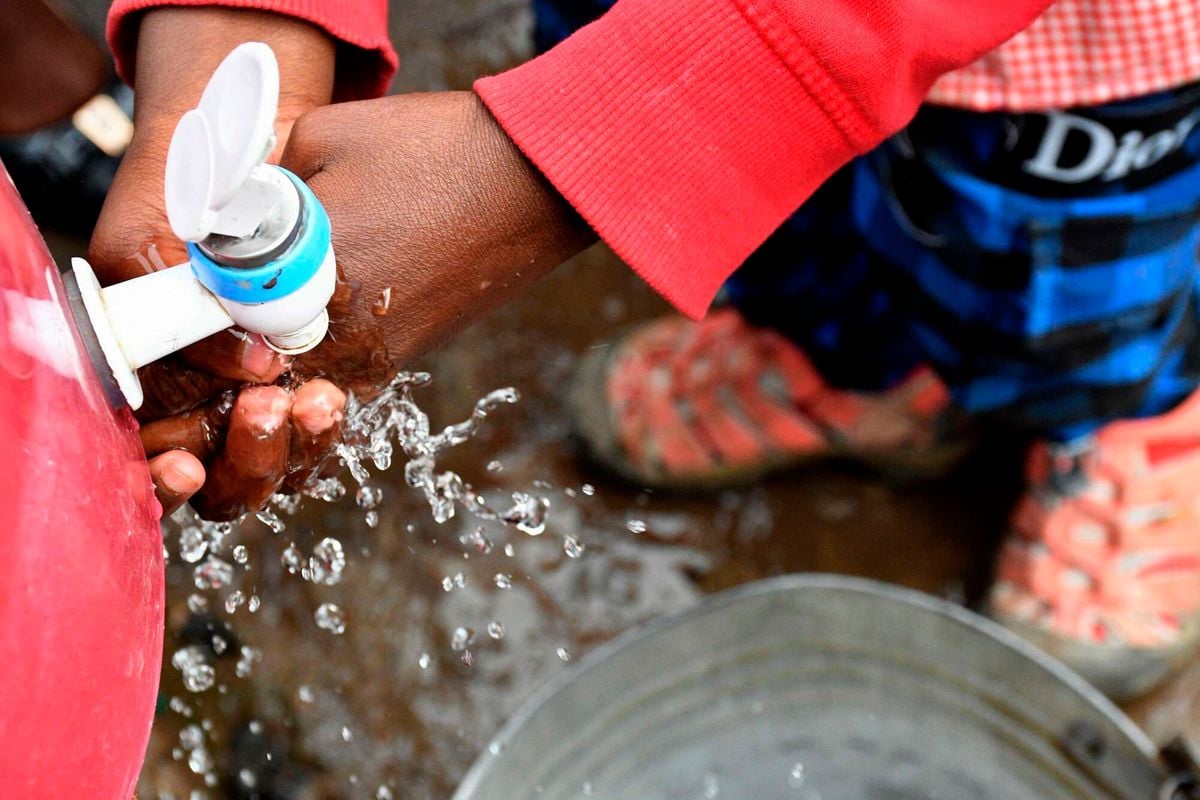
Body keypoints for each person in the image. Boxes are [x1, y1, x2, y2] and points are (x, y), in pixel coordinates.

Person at [90, 0, 1197, 698]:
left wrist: (584, 147)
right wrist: (242, 37)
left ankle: (1121, 420)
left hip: (1072, 47)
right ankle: (858, 370)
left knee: (1063, 284)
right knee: (766, 218)